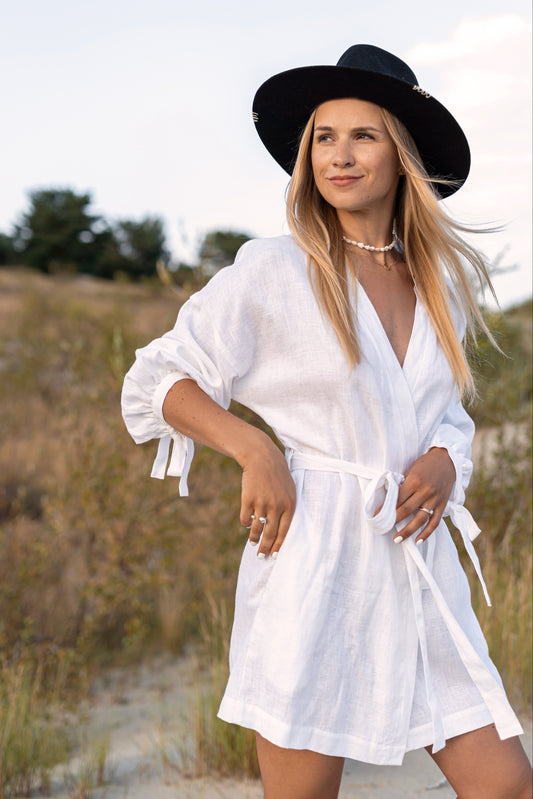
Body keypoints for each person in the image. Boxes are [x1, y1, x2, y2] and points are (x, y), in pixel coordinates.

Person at [121, 45, 532, 799]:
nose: (338, 156)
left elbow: (442, 412)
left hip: (416, 568)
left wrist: (443, 457)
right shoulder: (275, 270)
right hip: (315, 565)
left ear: (401, 154)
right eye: (323, 137)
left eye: (363, 136)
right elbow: (158, 379)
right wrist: (253, 446)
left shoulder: (436, 281)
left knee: (504, 782)